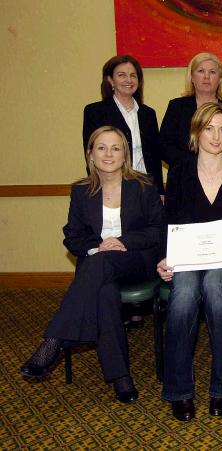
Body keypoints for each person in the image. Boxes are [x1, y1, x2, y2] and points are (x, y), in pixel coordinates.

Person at [20, 126, 163, 403]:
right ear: (90, 154)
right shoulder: (81, 191)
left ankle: (54, 341)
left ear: (125, 156)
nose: (108, 154)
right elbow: (72, 236)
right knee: (104, 292)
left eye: (116, 148)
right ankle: (121, 377)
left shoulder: (143, 185)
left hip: (136, 261)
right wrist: (96, 247)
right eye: (101, 148)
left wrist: (121, 241)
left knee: (97, 266)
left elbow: (157, 230)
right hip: (99, 266)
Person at [156, 103, 222, 421]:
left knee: (214, 287)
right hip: (186, 260)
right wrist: (163, 258)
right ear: (197, 131)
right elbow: (168, 220)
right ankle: (179, 391)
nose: (216, 135)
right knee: (183, 294)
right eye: (209, 128)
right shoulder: (181, 171)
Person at [83, 55, 164, 197]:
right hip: (112, 188)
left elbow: (155, 157)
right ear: (110, 80)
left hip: (146, 188)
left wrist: (160, 192)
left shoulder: (148, 114)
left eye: (133, 76)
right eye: (122, 75)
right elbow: (91, 152)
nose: (128, 80)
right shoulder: (95, 112)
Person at [159, 52, 222, 172]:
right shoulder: (177, 106)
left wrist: (220, 164)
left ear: (220, 78)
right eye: (201, 71)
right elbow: (164, 146)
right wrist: (196, 164)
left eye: (212, 72)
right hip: (184, 174)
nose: (206, 77)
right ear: (192, 77)